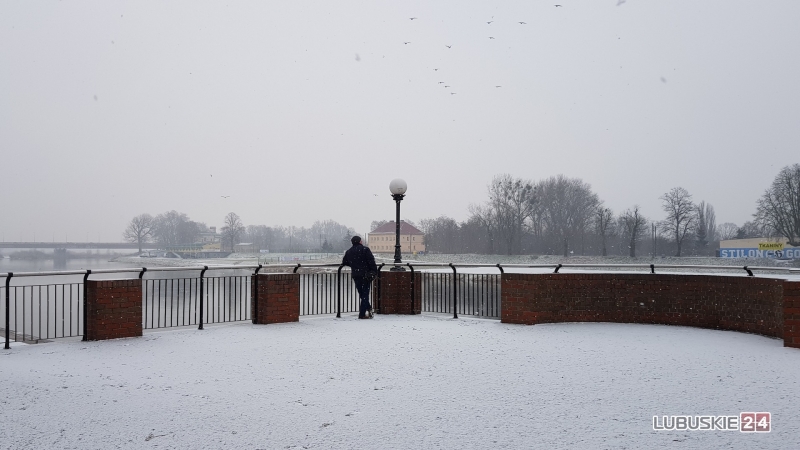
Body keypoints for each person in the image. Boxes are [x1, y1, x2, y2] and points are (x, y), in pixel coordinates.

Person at [342, 235, 378, 319]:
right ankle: (362, 314)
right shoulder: (365, 250)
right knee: (365, 294)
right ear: (360, 241)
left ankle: (368, 308)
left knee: (362, 294)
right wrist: (374, 272)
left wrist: (354, 264)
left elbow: (344, 262)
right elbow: (371, 261)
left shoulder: (349, 251)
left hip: (356, 275)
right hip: (365, 275)